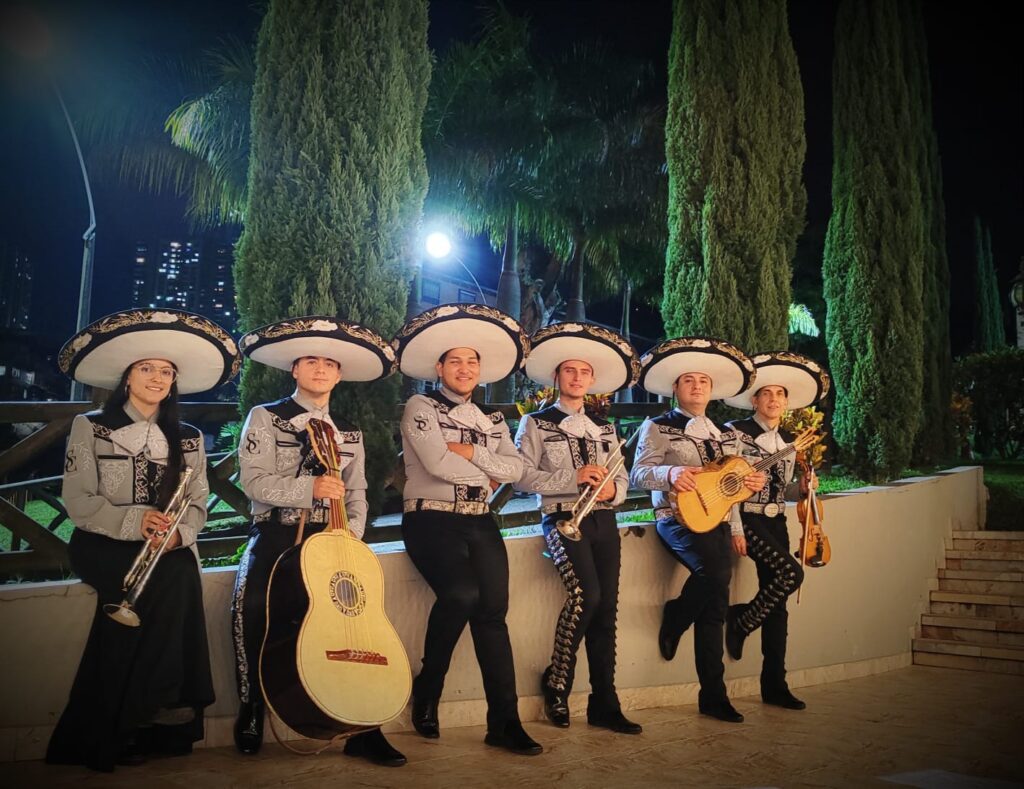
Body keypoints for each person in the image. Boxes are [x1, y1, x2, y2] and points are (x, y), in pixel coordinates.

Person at [47, 309, 239, 772]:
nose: (158, 378)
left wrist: (178, 536)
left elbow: (197, 502)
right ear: (127, 377)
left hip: (165, 545)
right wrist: (137, 521)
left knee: (176, 574)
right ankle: (147, 711)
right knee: (155, 588)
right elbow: (77, 499)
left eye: (166, 371)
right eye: (147, 369)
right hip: (103, 541)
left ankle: (145, 716)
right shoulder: (91, 425)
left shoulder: (189, 437)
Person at [231, 316, 407, 766]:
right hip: (276, 534)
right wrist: (308, 490)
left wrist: (352, 536)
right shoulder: (266, 418)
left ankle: (364, 726)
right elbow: (252, 481)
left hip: (331, 540)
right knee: (252, 611)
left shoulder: (348, 430)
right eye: (311, 361)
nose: (321, 369)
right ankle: (251, 709)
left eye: (330, 363)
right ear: (295, 369)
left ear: (339, 374)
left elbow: (359, 489)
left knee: (357, 621)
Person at [393, 303, 542, 756]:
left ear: (481, 370)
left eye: (471, 362)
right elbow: (437, 464)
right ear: (439, 368)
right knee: (462, 593)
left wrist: (471, 453)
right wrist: (488, 466)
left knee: (493, 616)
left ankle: (504, 722)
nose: (464, 368)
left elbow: (516, 470)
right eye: (455, 361)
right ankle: (429, 685)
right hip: (430, 518)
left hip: (480, 521)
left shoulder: (493, 419)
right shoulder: (420, 405)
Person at [514, 322, 642, 734]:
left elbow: (622, 479)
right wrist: (574, 478)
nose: (577, 378)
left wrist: (611, 494)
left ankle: (606, 701)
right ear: (557, 377)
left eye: (584, 372)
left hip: (604, 520)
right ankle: (557, 683)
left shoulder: (604, 428)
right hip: (561, 519)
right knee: (587, 595)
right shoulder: (535, 423)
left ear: (591, 380)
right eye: (569, 371)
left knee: (607, 611)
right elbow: (521, 479)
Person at [629, 337, 764, 723]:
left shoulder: (725, 433)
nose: (697, 386)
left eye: (703, 381)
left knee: (716, 607)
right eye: (689, 381)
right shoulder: (657, 426)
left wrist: (740, 512)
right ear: (676, 388)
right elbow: (637, 474)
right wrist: (670, 473)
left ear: (711, 389)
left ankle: (713, 696)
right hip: (675, 520)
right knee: (716, 575)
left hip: (719, 523)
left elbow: (730, 488)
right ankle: (676, 617)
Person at [722, 351, 831, 711]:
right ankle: (741, 621)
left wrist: (801, 488)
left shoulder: (789, 440)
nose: (773, 400)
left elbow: (780, 488)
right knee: (790, 574)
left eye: (780, 394)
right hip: (748, 519)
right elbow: (728, 485)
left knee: (779, 602)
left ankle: (774, 684)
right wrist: (735, 526)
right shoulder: (735, 434)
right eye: (766, 394)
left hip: (777, 520)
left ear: (786, 401)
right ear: (754, 399)